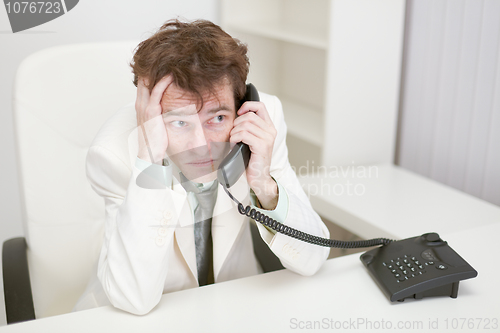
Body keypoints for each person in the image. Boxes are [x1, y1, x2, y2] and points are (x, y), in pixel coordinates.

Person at [74, 19, 329, 315]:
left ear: (242, 105)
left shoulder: (261, 124)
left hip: (235, 308)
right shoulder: (114, 153)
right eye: (179, 122)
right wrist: (151, 162)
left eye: (217, 118)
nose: (202, 145)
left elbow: (314, 257)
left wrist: (264, 184)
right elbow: (134, 299)